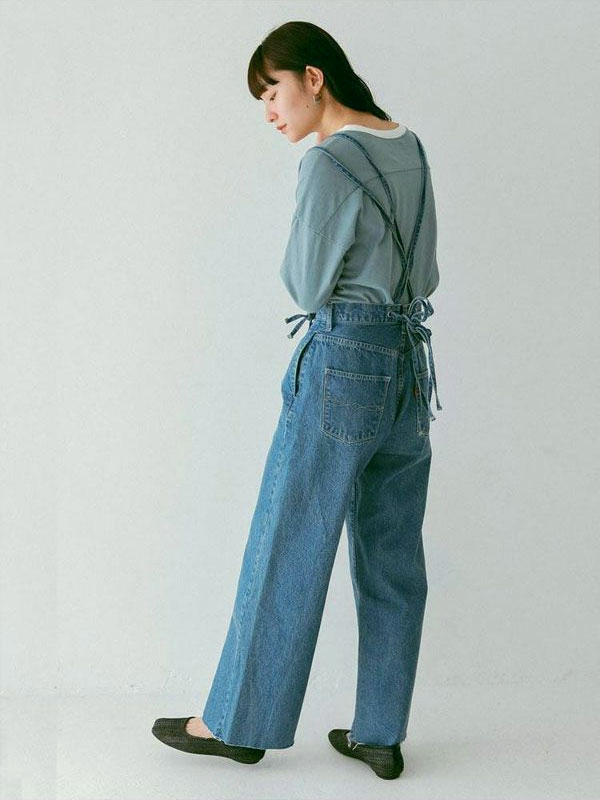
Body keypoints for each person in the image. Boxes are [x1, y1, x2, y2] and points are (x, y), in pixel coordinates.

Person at [152, 20, 442, 781]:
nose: (270, 111)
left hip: (344, 361)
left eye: (273, 91)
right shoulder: (410, 146)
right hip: (409, 365)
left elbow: (307, 286)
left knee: (289, 540)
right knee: (393, 557)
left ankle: (237, 723)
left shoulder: (329, 162)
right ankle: (380, 732)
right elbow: (428, 272)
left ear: (314, 78)